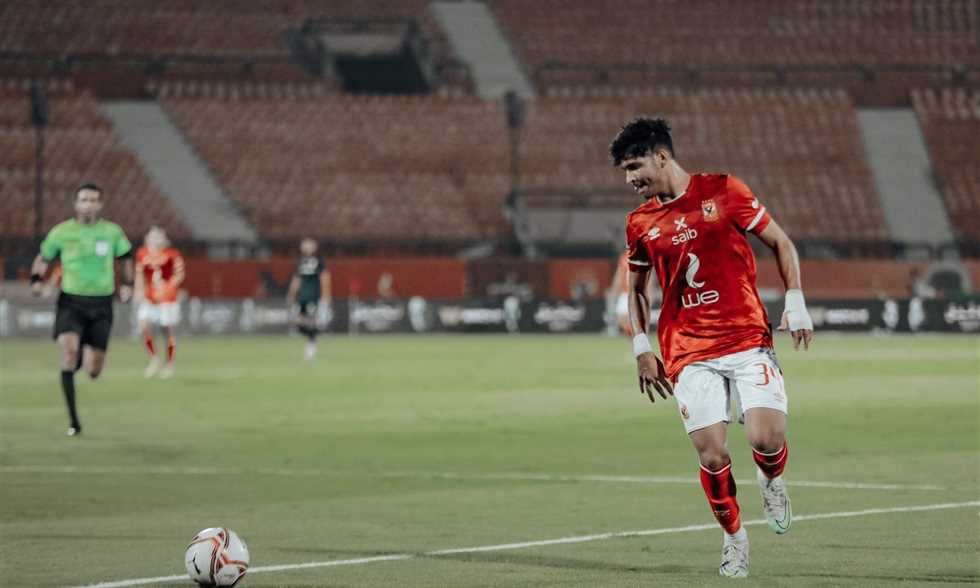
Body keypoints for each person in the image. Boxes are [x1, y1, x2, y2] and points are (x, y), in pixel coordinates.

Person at [611, 118, 813, 578]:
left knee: (766, 439)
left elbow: (781, 243)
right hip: (688, 351)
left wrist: (796, 300)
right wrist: (641, 347)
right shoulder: (639, 223)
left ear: (662, 156)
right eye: (625, 171)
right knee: (712, 455)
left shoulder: (724, 190)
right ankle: (734, 538)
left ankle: (771, 480)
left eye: (635, 167)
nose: (630, 180)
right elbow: (637, 289)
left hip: (746, 338)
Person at [30, 183, 134, 437]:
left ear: (100, 205)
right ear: (76, 204)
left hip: (102, 304)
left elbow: (126, 258)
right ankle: (74, 422)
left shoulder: (112, 232)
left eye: (93, 200)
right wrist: (36, 281)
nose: (88, 204)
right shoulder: (62, 232)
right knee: (68, 352)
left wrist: (128, 284)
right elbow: (43, 257)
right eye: (84, 199)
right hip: (71, 302)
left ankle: (81, 357)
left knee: (94, 371)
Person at [135, 226, 185, 378]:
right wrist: (138, 290)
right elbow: (139, 274)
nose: (155, 239)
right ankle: (154, 359)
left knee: (167, 331)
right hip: (149, 298)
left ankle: (170, 364)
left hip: (167, 299)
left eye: (158, 236)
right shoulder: (142, 253)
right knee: (143, 326)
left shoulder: (172, 254)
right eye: (152, 236)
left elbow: (179, 274)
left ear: (164, 239)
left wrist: (168, 287)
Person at [286, 238, 331, 360]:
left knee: (311, 322)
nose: (306, 247)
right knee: (298, 322)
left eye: (309, 245)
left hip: (314, 297)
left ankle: (311, 344)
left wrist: (326, 296)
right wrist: (291, 294)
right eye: (305, 245)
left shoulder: (319, 261)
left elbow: (325, 278)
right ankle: (312, 339)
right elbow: (296, 279)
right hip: (302, 297)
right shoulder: (300, 261)